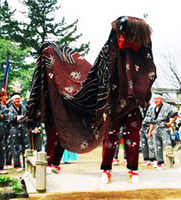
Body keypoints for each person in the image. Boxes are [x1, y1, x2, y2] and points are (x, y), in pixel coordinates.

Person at [100, 16, 157, 184]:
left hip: (132, 104)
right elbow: (105, 72)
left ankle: (133, 170)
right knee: (110, 137)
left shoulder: (141, 52)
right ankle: (106, 169)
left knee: (133, 138)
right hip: (114, 101)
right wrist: (103, 106)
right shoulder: (114, 51)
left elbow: (150, 70)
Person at [148, 94, 178, 170]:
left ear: (162, 100)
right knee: (157, 146)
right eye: (155, 99)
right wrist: (150, 131)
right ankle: (160, 162)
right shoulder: (152, 108)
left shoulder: (167, 107)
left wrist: (170, 123)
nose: (156, 100)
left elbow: (175, 115)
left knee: (167, 146)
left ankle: (170, 162)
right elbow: (151, 121)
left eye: (158, 99)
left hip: (164, 129)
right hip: (155, 129)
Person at [7, 93, 31, 171]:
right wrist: (16, 117)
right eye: (16, 99)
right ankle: (17, 165)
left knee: (26, 146)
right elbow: (9, 118)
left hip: (24, 128)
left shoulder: (24, 108)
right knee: (15, 146)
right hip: (14, 129)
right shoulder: (9, 109)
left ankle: (26, 164)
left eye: (18, 98)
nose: (17, 100)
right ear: (12, 101)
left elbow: (27, 117)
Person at [140, 103, 157, 167]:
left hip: (149, 126)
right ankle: (146, 159)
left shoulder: (152, 107)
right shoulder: (141, 108)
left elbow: (153, 120)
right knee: (143, 144)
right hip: (142, 127)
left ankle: (154, 159)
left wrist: (150, 131)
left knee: (151, 144)